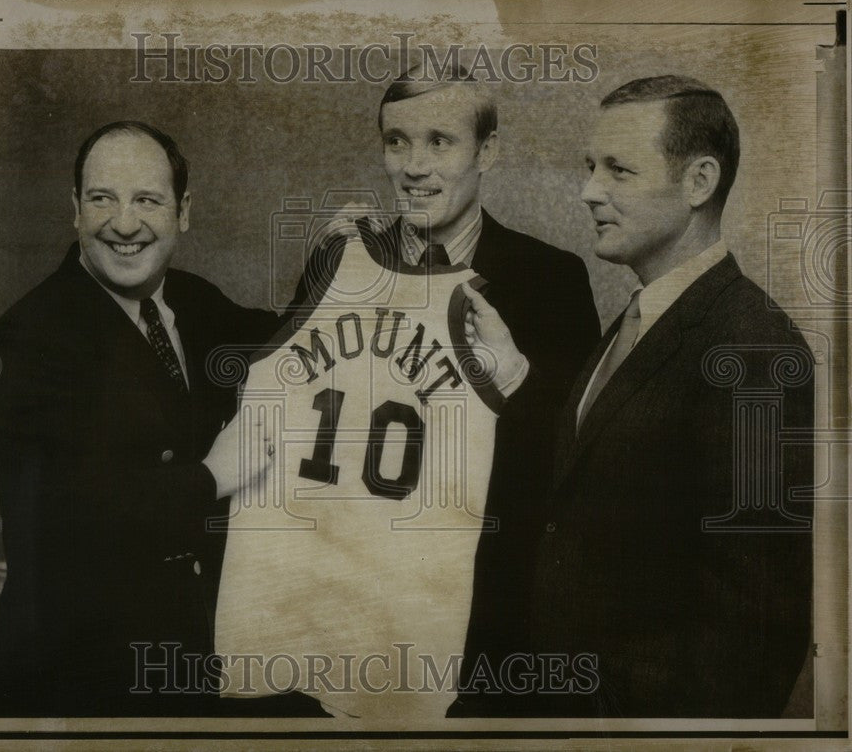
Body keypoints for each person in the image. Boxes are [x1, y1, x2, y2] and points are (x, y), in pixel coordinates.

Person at [462, 76, 814, 717]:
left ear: (700, 182)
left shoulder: (753, 351)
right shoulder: (636, 322)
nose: (588, 191)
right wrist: (515, 374)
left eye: (619, 170)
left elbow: (753, 639)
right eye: (590, 167)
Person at [284, 65, 601, 715]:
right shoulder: (341, 259)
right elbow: (282, 429)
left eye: (440, 142)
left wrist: (510, 380)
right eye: (396, 142)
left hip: (484, 630)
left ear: (488, 151)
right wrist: (318, 288)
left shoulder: (550, 279)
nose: (413, 166)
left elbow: (572, 463)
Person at [0, 121, 280, 716]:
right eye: (102, 198)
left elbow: (292, 343)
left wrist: (348, 256)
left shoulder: (192, 301)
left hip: (191, 656)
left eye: (147, 199)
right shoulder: (24, 342)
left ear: (183, 211)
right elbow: (70, 520)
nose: (123, 223)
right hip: (79, 678)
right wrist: (215, 476)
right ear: (75, 209)